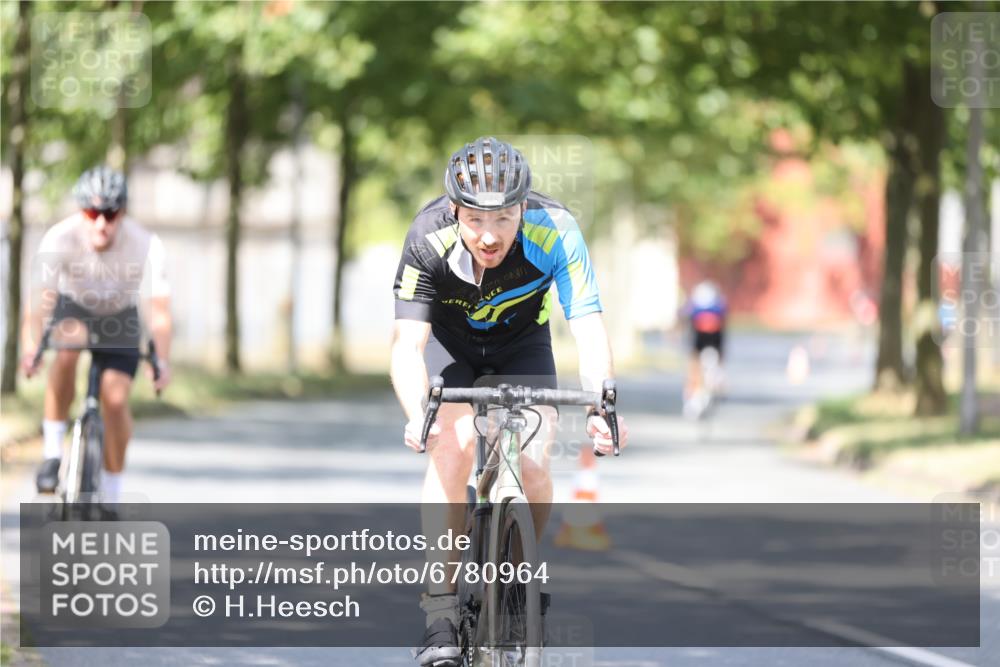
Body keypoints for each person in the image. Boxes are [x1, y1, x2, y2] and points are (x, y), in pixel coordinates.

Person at [390, 136, 629, 666]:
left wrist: (601, 408)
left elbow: (587, 325)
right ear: (455, 211)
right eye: (475, 219)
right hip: (450, 350)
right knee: (451, 450)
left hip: (523, 345)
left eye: (503, 218)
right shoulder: (427, 237)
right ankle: (441, 614)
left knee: (533, 462)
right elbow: (407, 346)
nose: (489, 235)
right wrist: (417, 415)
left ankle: (517, 583)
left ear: (524, 206)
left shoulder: (557, 229)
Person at [21, 165, 173, 507]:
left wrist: (161, 359)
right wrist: (31, 349)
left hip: (120, 316)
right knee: (67, 347)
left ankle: (112, 493)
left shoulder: (146, 244)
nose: (101, 223)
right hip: (75, 307)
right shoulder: (60, 238)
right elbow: (39, 302)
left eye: (110, 213)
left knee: (116, 401)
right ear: (81, 212)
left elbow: (158, 310)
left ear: (123, 213)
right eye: (92, 212)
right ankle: (51, 452)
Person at [682, 280, 727, 418]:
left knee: (694, 363)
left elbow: (685, 317)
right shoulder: (719, 307)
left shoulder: (695, 307)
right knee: (713, 361)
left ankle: (693, 395)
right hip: (714, 339)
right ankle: (719, 381)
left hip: (700, 339)